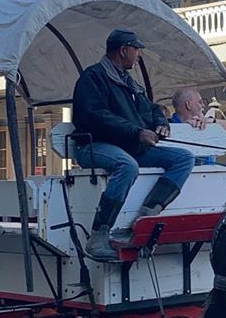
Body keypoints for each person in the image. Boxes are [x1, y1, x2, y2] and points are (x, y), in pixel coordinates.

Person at [72, 29, 195, 261]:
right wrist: (137, 132)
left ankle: (145, 218)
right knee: (127, 165)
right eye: (136, 49)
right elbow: (96, 116)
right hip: (93, 146)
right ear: (123, 50)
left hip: (127, 146)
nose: (138, 55)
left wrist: (161, 124)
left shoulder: (127, 81)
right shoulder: (92, 77)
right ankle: (98, 236)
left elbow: (152, 109)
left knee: (184, 158)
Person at [170, 87, 226, 165]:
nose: (203, 105)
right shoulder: (169, 127)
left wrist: (211, 121)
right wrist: (187, 128)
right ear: (189, 104)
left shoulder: (206, 123)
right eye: (200, 102)